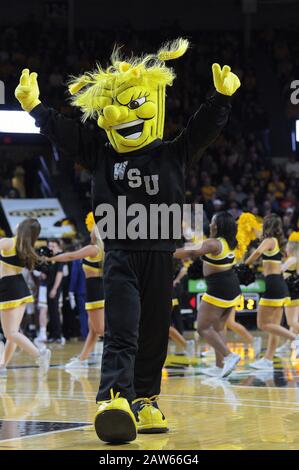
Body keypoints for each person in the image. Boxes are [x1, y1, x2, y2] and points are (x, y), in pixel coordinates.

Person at [15, 38, 240, 443]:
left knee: (155, 331)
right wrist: (36, 109)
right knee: (122, 329)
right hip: (119, 255)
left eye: (133, 105)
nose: (120, 116)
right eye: (112, 109)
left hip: (160, 257)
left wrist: (220, 99)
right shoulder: (101, 154)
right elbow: (65, 134)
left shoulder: (173, 153)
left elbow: (201, 130)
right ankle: (115, 398)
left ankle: (145, 400)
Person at [175, 212, 242, 378]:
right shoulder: (228, 242)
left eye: (212, 222)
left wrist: (167, 251)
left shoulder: (213, 243)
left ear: (216, 226)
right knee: (219, 328)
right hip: (231, 287)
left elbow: (191, 253)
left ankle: (229, 356)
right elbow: (195, 246)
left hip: (218, 288)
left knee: (202, 327)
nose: (209, 224)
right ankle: (220, 366)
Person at [48, 213, 104, 368]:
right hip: (97, 291)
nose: (90, 232)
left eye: (92, 230)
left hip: (95, 293)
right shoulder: (103, 249)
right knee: (93, 330)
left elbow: (71, 256)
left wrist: (50, 258)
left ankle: (133, 349)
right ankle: (81, 361)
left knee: (100, 329)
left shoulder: (93, 249)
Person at [245, 214, 299, 370]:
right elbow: (258, 237)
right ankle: (268, 360)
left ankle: (295, 338)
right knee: (274, 326)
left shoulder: (270, 241)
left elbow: (256, 253)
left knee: (262, 324)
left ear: (267, 226)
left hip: (274, 285)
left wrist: (244, 265)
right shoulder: (274, 241)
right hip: (278, 284)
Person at [0, 218, 51, 376]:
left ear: (21, 228)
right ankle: (2, 366)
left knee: (11, 333)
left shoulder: (9, 242)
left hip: (8, 289)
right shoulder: (28, 250)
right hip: (21, 289)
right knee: (13, 333)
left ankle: (39, 354)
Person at [277, 231, 299, 355]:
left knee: (292, 322)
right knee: (293, 322)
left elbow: (279, 271)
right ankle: (287, 346)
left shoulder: (291, 259)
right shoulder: (297, 259)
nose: (285, 248)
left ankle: (290, 344)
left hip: (291, 294)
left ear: (291, 247)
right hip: (296, 293)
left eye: (287, 246)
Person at [46, 239, 65, 344]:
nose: (51, 248)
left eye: (53, 246)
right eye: (50, 246)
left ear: (57, 247)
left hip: (56, 288)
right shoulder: (49, 258)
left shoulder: (60, 258)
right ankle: (52, 334)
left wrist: (54, 289)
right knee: (50, 311)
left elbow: (59, 274)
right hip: (49, 286)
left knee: (55, 311)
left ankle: (57, 335)